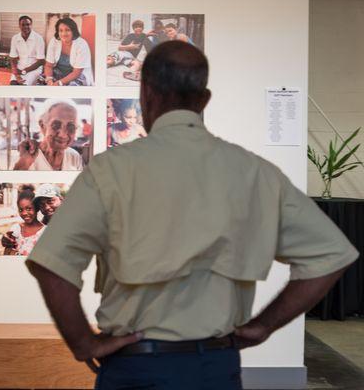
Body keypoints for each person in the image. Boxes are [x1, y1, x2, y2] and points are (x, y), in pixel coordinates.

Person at [26, 41, 359, 389]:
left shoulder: (111, 170)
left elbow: (51, 263)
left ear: (146, 93)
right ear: (204, 100)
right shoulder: (255, 172)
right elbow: (331, 255)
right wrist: (263, 326)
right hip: (214, 367)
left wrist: (83, 342)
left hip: (136, 366)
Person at [11, 102, 83, 171]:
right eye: (55, 125)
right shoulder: (25, 154)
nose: (62, 134)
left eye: (71, 127)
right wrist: (24, 163)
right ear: (42, 125)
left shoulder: (74, 156)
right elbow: (9, 183)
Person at [1, 183, 63, 252]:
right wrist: (6, 240)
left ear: (61, 199)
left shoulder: (72, 221)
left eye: (50, 201)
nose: (47, 207)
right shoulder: (45, 226)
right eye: (41, 204)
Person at [43, 17, 94, 86]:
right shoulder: (54, 41)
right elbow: (49, 65)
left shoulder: (81, 44)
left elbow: (77, 72)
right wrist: (49, 79)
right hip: (58, 73)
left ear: (73, 31)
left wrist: (59, 83)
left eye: (67, 30)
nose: (64, 34)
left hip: (76, 76)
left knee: (69, 91)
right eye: (61, 30)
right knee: (41, 82)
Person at [3, 190, 45, 256]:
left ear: (37, 208)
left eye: (29, 208)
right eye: (21, 210)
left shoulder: (45, 231)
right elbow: (6, 253)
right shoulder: (15, 229)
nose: (24, 213)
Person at [9, 15, 46, 85]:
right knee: (13, 84)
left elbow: (41, 61)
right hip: (19, 68)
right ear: (19, 26)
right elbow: (13, 58)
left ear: (31, 25)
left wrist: (24, 71)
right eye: (23, 25)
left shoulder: (38, 38)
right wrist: (16, 74)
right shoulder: (15, 38)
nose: (25, 27)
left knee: (24, 86)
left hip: (34, 69)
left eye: (28, 24)